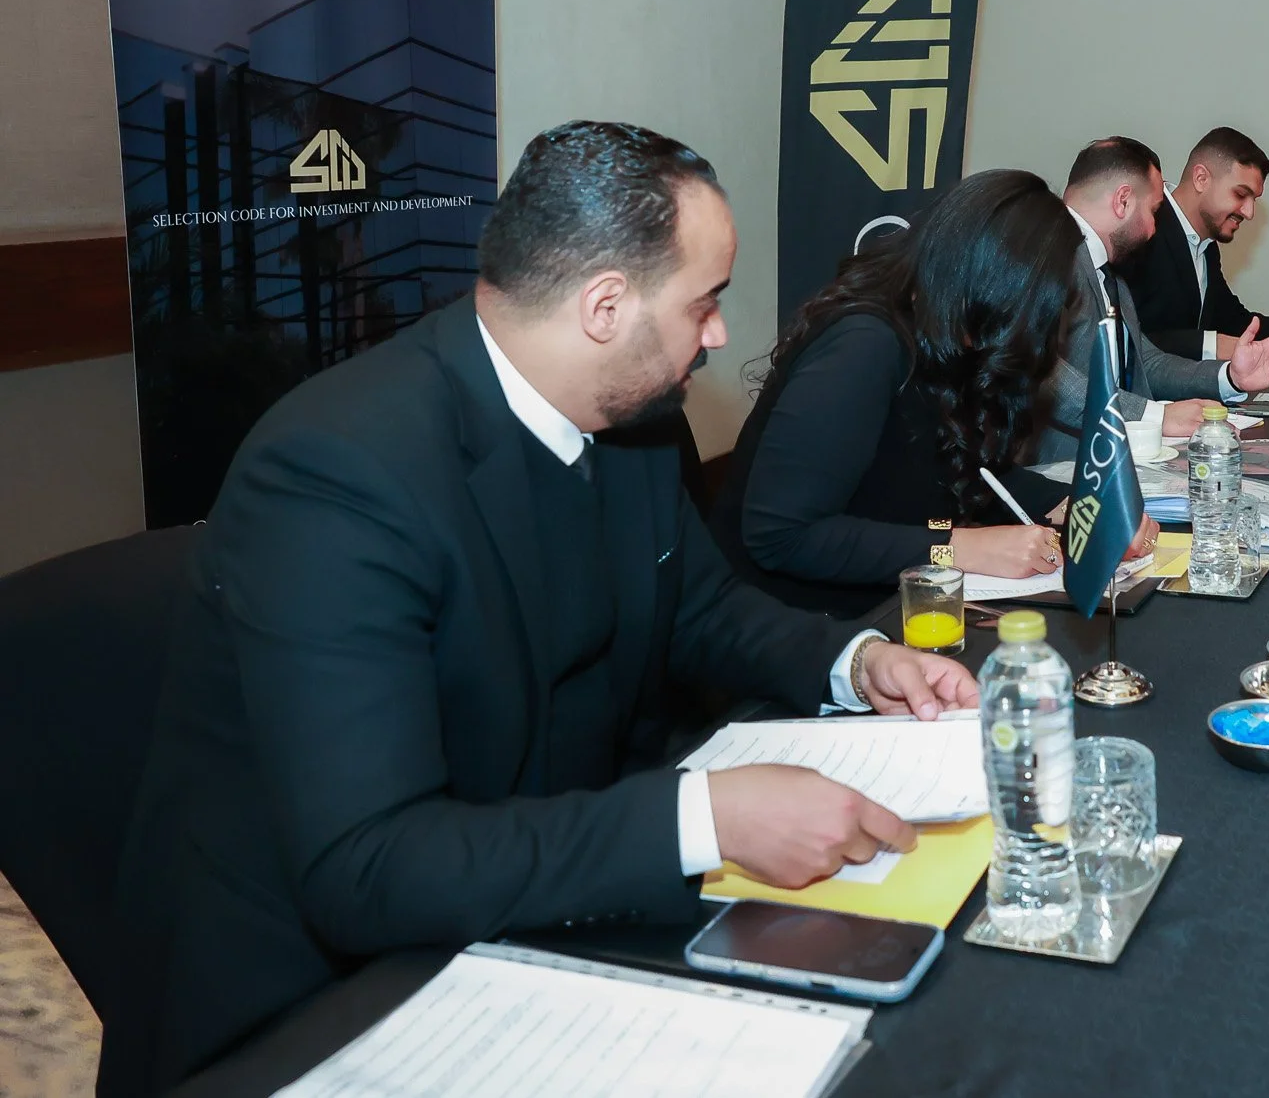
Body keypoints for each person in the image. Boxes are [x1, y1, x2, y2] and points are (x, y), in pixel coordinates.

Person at [102, 122, 979, 1094]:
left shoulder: (634, 413)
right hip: (319, 996)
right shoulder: (338, 473)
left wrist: (854, 663)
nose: (719, 335)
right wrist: (705, 817)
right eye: (706, 303)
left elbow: (697, 609)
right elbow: (369, 864)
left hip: (539, 882)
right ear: (606, 305)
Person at [715, 169, 1160, 617]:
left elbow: (975, 475)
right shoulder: (864, 346)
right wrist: (955, 548)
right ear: (999, 284)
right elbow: (783, 535)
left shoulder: (951, 340)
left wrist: (1077, 504)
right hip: (801, 625)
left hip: (891, 605)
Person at [1035, 135, 1269, 462]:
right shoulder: (1047, 254)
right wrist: (1154, 415)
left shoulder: (1110, 271)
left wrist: (1230, 376)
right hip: (1061, 474)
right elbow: (1040, 372)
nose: (1155, 228)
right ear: (1123, 201)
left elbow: (1146, 361)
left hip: (1122, 459)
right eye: (1154, 211)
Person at [1116, 126, 1269, 361]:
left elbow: (1234, 322)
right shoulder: (1143, 230)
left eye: (1254, 200)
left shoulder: (1206, 247)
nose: (1249, 212)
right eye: (1240, 195)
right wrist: (1212, 345)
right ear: (1201, 179)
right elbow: (1129, 338)